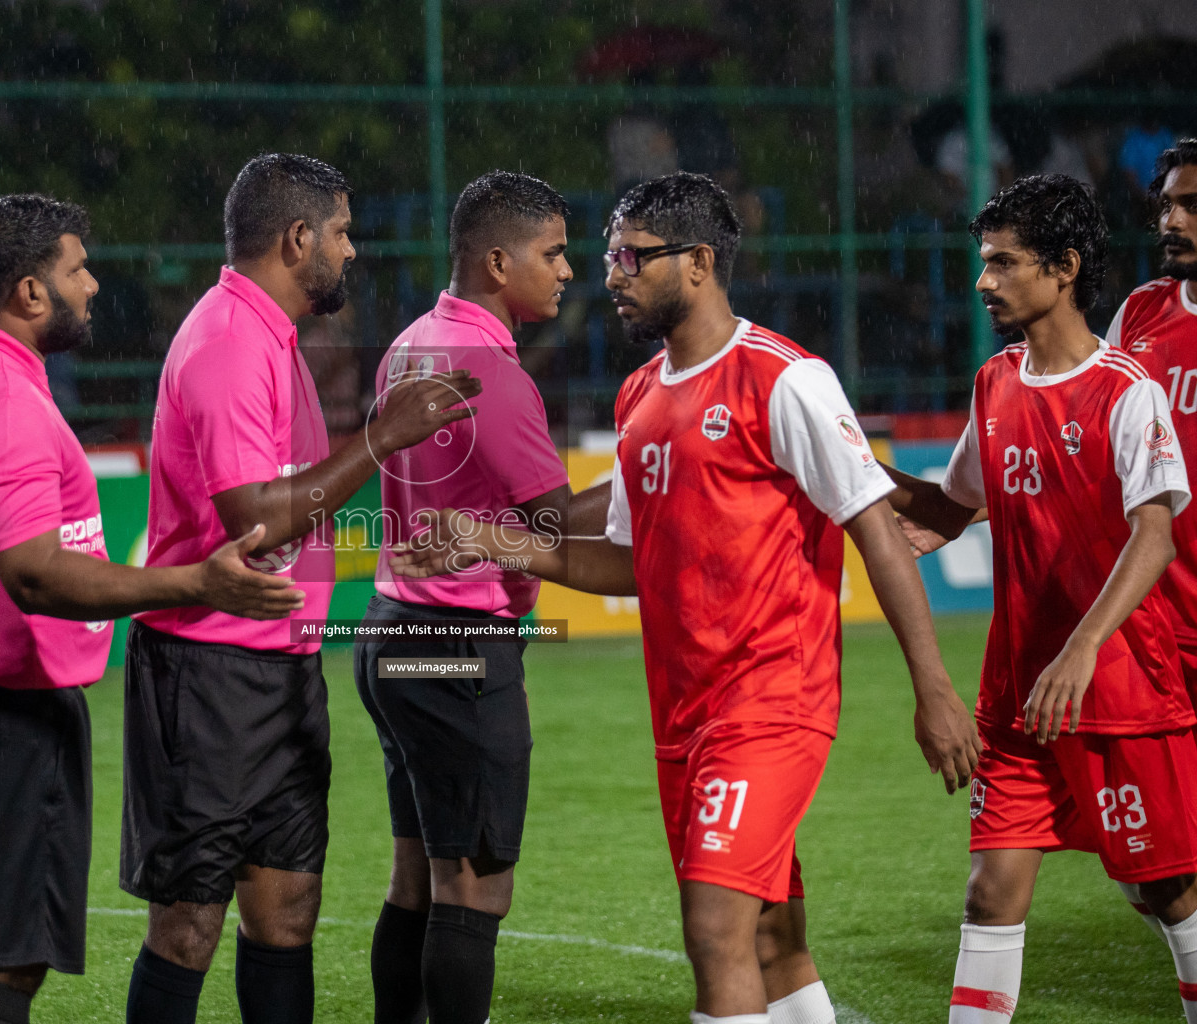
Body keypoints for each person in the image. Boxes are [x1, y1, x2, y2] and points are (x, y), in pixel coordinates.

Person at [390, 171, 980, 1024]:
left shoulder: (785, 379)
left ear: (699, 262)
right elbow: (628, 564)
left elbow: (876, 531)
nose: (610, 274)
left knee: (713, 932)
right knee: (773, 938)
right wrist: (492, 540)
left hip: (772, 701)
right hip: (684, 714)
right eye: (607, 255)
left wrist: (934, 691)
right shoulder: (639, 397)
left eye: (632, 256)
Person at [0, 194, 305, 1024]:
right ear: (30, 292)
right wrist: (195, 583)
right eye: (77, 269)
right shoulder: (0, 393)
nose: (94, 286)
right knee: (4, 965)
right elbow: (39, 576)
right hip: (6, 712)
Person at [121, 152, 479, 1024]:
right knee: (188, 927)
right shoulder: (227, 341)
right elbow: (257, 518)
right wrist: (381, 439)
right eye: (343, 231)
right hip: (205, 675)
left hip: (281, 670)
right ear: (296, 237)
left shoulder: (271, 337)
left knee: (285, 915)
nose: (352, 250)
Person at [881, 174, 1197, 1023]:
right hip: (1019, 697)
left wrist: (1082, 647)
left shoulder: (1129, 391)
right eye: (983, 263)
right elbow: (949, 510)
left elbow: (1155, 535)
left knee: (1166, 888)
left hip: (1123, 692)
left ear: (1063, 269)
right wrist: (850, 468)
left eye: (1003, 263)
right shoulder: (996, 384)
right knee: (991, 894)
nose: (984, 281)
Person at [354, 170, 609, 1024]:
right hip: (460, 647)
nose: (567, 270)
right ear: (499, 262)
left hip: (392, 634)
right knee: (477, 888)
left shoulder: (410, 344)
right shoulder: (491, 371)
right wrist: (655, 467)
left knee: (419, 876)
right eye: (554, 253)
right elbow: (559, 525)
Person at [1104, 138, 1197, 1018]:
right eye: (1168, 202)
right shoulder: (1140, 315)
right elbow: (1092, 434)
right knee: (1150, 867)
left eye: (1192, 204)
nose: (1173, 219)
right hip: (1154, 631)